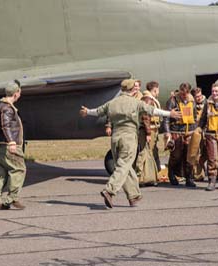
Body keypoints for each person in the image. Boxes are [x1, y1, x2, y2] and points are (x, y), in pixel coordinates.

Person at [80, 79, 179, 208]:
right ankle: (109, 191)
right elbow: (152, 111)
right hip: (129, 137)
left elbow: (98, 111)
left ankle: (133, 196)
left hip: (115, 138)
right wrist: (169, 113)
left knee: (126, 167)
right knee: (123, 165)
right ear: (132, 89)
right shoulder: (136, 103)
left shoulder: (112, 103)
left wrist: (87, 111)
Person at [0, 80, 26, 209]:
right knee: (19, 169)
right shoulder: (7, 108)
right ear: (16, 94)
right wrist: (11, 142)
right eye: (19, 92)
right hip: (6, 145)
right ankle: (12, 198)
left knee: (0, 173)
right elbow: (6, 126)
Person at [163, 82, 197, 187]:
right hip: (176, 132)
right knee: (175, 156)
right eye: (181, 93)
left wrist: (195, 130)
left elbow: (194, 116)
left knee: (189, 156)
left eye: (185, 94)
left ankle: (189, 178)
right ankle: (172, 174)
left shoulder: (192, 101)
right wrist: (167, 132)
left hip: (189, 131)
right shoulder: (172, 101)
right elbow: (166, 118)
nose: (183, 96)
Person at [135, 81, 162, 186]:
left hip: (151, 129)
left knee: (149, 153)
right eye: (158, 90)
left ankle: (148, 177)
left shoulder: (148, 99)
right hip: (148, 130)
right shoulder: (148, 100)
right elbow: (146, 117)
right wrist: (148, 133)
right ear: (155, 90)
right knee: (144, 153)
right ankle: (138, 177)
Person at [191, 87, 207, 180]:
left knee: (209, 153)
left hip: (206, 131)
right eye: (197, 97)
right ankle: (198, 174)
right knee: (197, 153)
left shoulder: (208, 103)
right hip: (197, 132)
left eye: (200, 95)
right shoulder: (192, 105)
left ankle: (217, 172)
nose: (199, 98)